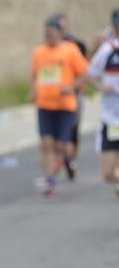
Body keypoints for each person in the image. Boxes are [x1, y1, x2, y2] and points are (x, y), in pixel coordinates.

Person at [30, 15, 90, 196]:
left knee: (62, 144)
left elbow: (85, 73)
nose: (48, 36)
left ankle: (68, 161)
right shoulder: (38, 52)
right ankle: (50, 181)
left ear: (59, 33)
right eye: (46, 33)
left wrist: (72, 86)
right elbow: (35, 75)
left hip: (65, 105)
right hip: (45, 104)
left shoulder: (70, 50)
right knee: (46, 143)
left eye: (51, 32)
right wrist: (33, 91)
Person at [50, 13, 88, 175]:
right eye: (59, 26)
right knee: (54, 134)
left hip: (74, 96)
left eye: (64, 26)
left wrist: (75, 86)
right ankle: (61, 160)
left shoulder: (77, 45)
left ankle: (70, 160)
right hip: (54, 97)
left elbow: (85, 69)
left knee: (72, 131)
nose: (62, 29)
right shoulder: (48, 48)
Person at [87, 9, 119, 194]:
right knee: (106, 174)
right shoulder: (108, 49)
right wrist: (100, 87)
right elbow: (90, 73)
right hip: (111, 118)